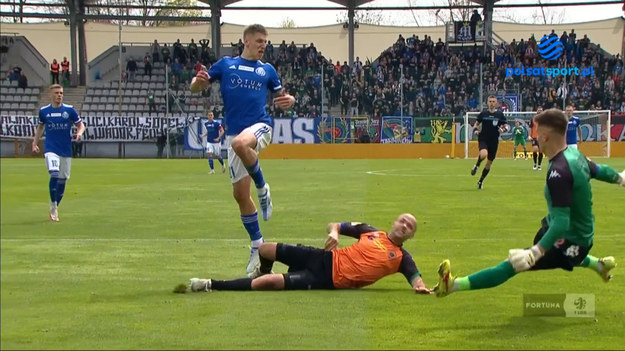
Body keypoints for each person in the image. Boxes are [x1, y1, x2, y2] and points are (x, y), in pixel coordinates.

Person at [433, 109, 624, 298]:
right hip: (566, 230)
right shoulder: (576, 156)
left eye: (537, 133)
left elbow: (561, 222)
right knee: (547, 246)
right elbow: (600, 170)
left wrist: (535, 253)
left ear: (546, 137)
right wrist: (620, 179)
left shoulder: (559, 171)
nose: (535, 137)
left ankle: (452, 285)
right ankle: (599, 264)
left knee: (514, 263)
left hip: (572, 239)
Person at [190, 24, 295, 277]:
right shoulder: (226, 65)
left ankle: (263, 188)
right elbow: (197, 86)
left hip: (261, 127)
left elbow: (283, 99)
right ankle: (257, 246)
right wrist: (198, 82)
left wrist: (290, 101)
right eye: (259, 41)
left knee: (240, 145)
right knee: (239, 195)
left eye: (265, 43)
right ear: (245, 41)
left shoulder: (267, 70)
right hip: (236, 132)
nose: (263, 46)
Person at [187, 213, 432, 293]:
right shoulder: (371, 232)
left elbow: (416, 279)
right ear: (395, 222)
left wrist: (420, 287)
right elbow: (336, 225)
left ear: (410, 235)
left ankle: (210, 284)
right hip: (323, 258)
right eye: (403, 221)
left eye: (409, 227)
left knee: (267, 283)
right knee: (265, 248)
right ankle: (262, 268)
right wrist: (335, 234)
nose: (404, 226)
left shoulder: (402, 258)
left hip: (327, 279)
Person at [31, 84, 85, 222]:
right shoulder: (44, 111)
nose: (59, 95)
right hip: (51, 149)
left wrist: (79, 133)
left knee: (62, 180)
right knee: (54, 174)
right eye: (56, 93)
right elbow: (40, 127)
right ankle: (53, 205)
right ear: (51, 95)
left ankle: (55, 206)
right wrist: (35, 142)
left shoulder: (69, 110)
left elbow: (81, 125)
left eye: (61, 93)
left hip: (65, 150)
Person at [470, 95, 508, 189]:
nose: (491, 103)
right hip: (483, 138)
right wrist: (475, 129)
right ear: (487, 102)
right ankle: (477, 165)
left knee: (489, 163)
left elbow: (506, 126)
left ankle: (480, 181)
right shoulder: (483, 113)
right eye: (490, 101)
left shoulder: (499, 114)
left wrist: (504, 129)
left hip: (494, 140)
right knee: (483, 154)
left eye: (493, 101)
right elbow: (477, 123)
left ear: (496, 103)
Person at [528, 106, 544, 170]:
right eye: (538, 110)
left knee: (541, 151)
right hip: (534, 137)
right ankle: (535, 163)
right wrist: (530, 135)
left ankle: (539, 165)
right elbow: (530, 127)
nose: (539, 111)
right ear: (537, 111)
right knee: (535, 150)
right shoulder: (533, 119)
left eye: (541, 110)